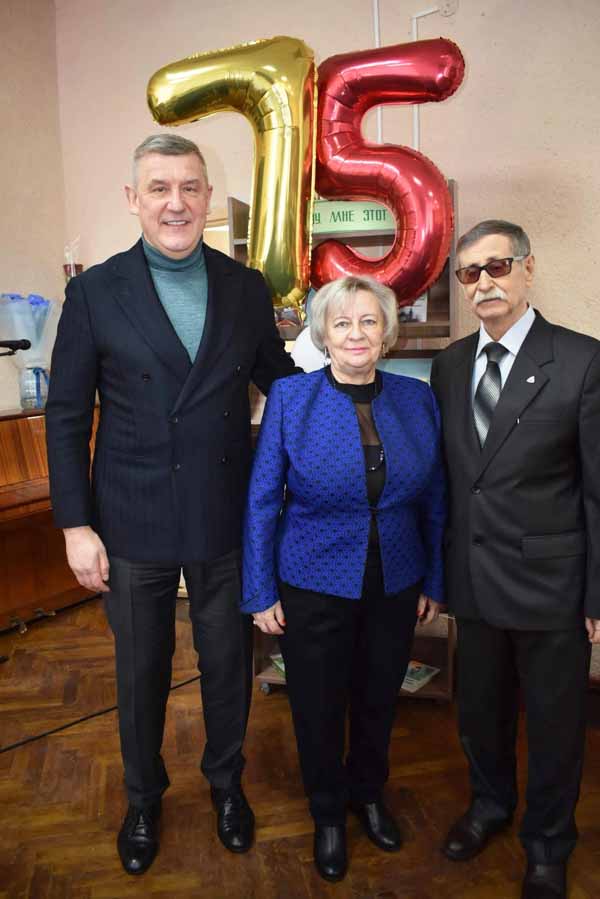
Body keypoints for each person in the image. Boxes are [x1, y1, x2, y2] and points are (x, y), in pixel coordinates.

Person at [45, 133, 299, 875]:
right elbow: (67, 414)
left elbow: (280, 382)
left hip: (224, 511)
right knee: (141, 673)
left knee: (227, 664)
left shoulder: (244, 287)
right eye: (159, 188)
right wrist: (75, 524)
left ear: (208, 197)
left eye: (190, 187)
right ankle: (142, 798)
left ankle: (226, 785)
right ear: (134, 199)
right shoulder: (94, 293)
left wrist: (349, 385)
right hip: (131, 517)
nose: (176, 202)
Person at [241, 275, 446, 882]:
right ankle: (327, 813)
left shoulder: (417, 398)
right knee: (318, 704)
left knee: (380, 697)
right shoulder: (291, 398)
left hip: (397, 579)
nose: (356, 334)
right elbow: (261, 500)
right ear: (323, 335)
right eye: (342, 323)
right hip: (312, 580)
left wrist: (435, 578)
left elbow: (436, 497)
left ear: (386, 333)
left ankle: (368, 795)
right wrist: (260, 591)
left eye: (368, 321)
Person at [430, 220, 600, 899]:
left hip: (551, 585)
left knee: (556, 726)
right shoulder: (449, 366)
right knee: (479, 711)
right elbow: (450, 482)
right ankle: (490, 804)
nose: (484, 283)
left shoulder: (582, 360)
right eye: (469, 273)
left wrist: (598, 594)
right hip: (473, 580)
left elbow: (598, 490)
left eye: (497, 266)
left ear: (528, 269)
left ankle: (549, 843)